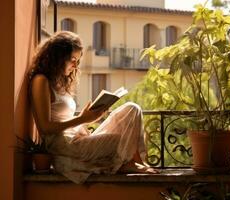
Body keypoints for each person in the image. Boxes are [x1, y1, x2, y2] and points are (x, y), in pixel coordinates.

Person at [29, 31, 155, 184]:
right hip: (63, 146)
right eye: (72, 59)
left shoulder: (60, 82)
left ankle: (136, 161)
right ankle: (130, 164)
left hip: (77, 137)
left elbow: (68, 121)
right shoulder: (41, 81)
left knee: (132, 109)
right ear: (58, 57)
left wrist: (86, 119)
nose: (75, 65)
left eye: (78, 60)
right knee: (120, 141)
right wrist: (82, 119)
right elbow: (45, 128)